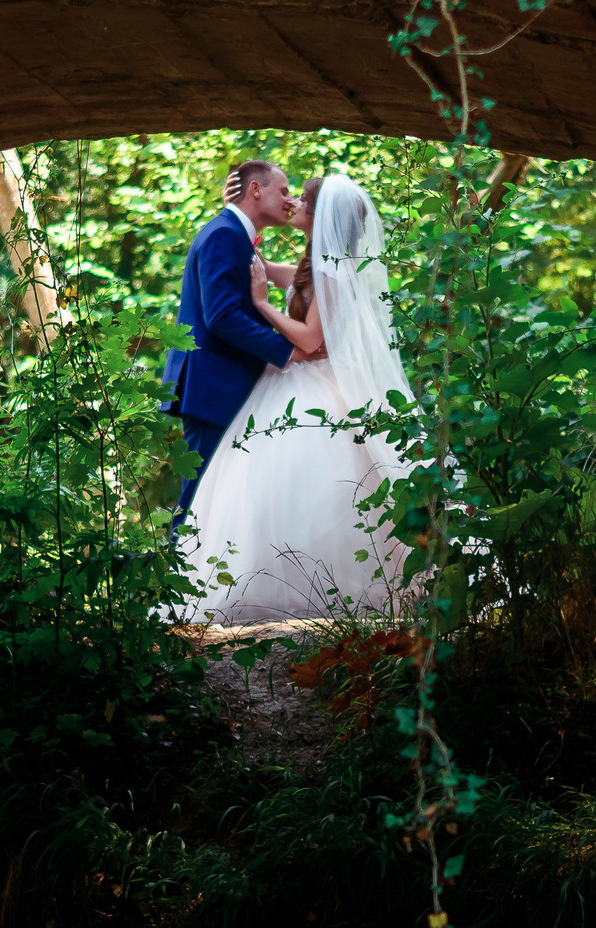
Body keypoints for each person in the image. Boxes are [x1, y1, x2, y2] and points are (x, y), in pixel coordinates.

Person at [177, 171, 416, 624]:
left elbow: (307, 340)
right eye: (286, 193)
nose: (291, 203)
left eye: (299, 197)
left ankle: (331, 587)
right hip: (285, 378)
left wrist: (266, 306)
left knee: (314, 484)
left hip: (312, 379)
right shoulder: (314, 262)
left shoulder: (333, 267)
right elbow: (253, 267)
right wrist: (236, 212)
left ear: (319, 212)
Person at [162, 161, 319, 521]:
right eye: (282, 190)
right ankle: (176, 572)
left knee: (218, 501)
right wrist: (288, 352)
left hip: (223, 385)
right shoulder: (224, 234)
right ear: (255, 190)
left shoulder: (232, 232)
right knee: (199, 499)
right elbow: (221, 316)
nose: (289, 199)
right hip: (215, 387)